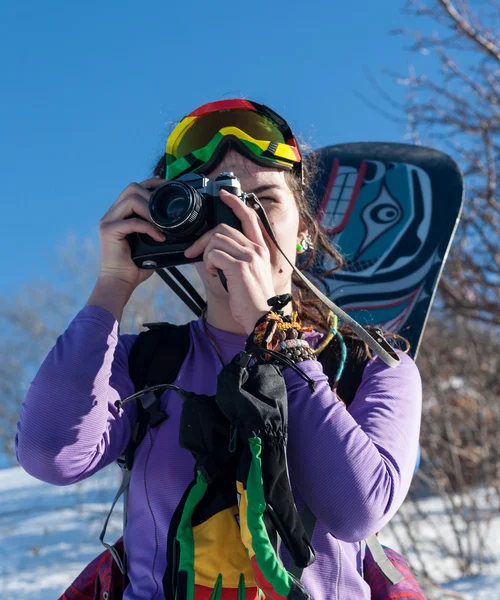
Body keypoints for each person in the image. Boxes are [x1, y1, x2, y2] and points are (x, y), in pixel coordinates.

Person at [15, 98, 422, 599]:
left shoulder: (369, 366)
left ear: (304, 233)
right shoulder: (143, 362)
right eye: (216, 203)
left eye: (263, 201)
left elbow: (356, 510)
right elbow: (49, 455)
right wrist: (112, 287)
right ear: (179, 228)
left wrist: (272, 332)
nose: (238, 222)